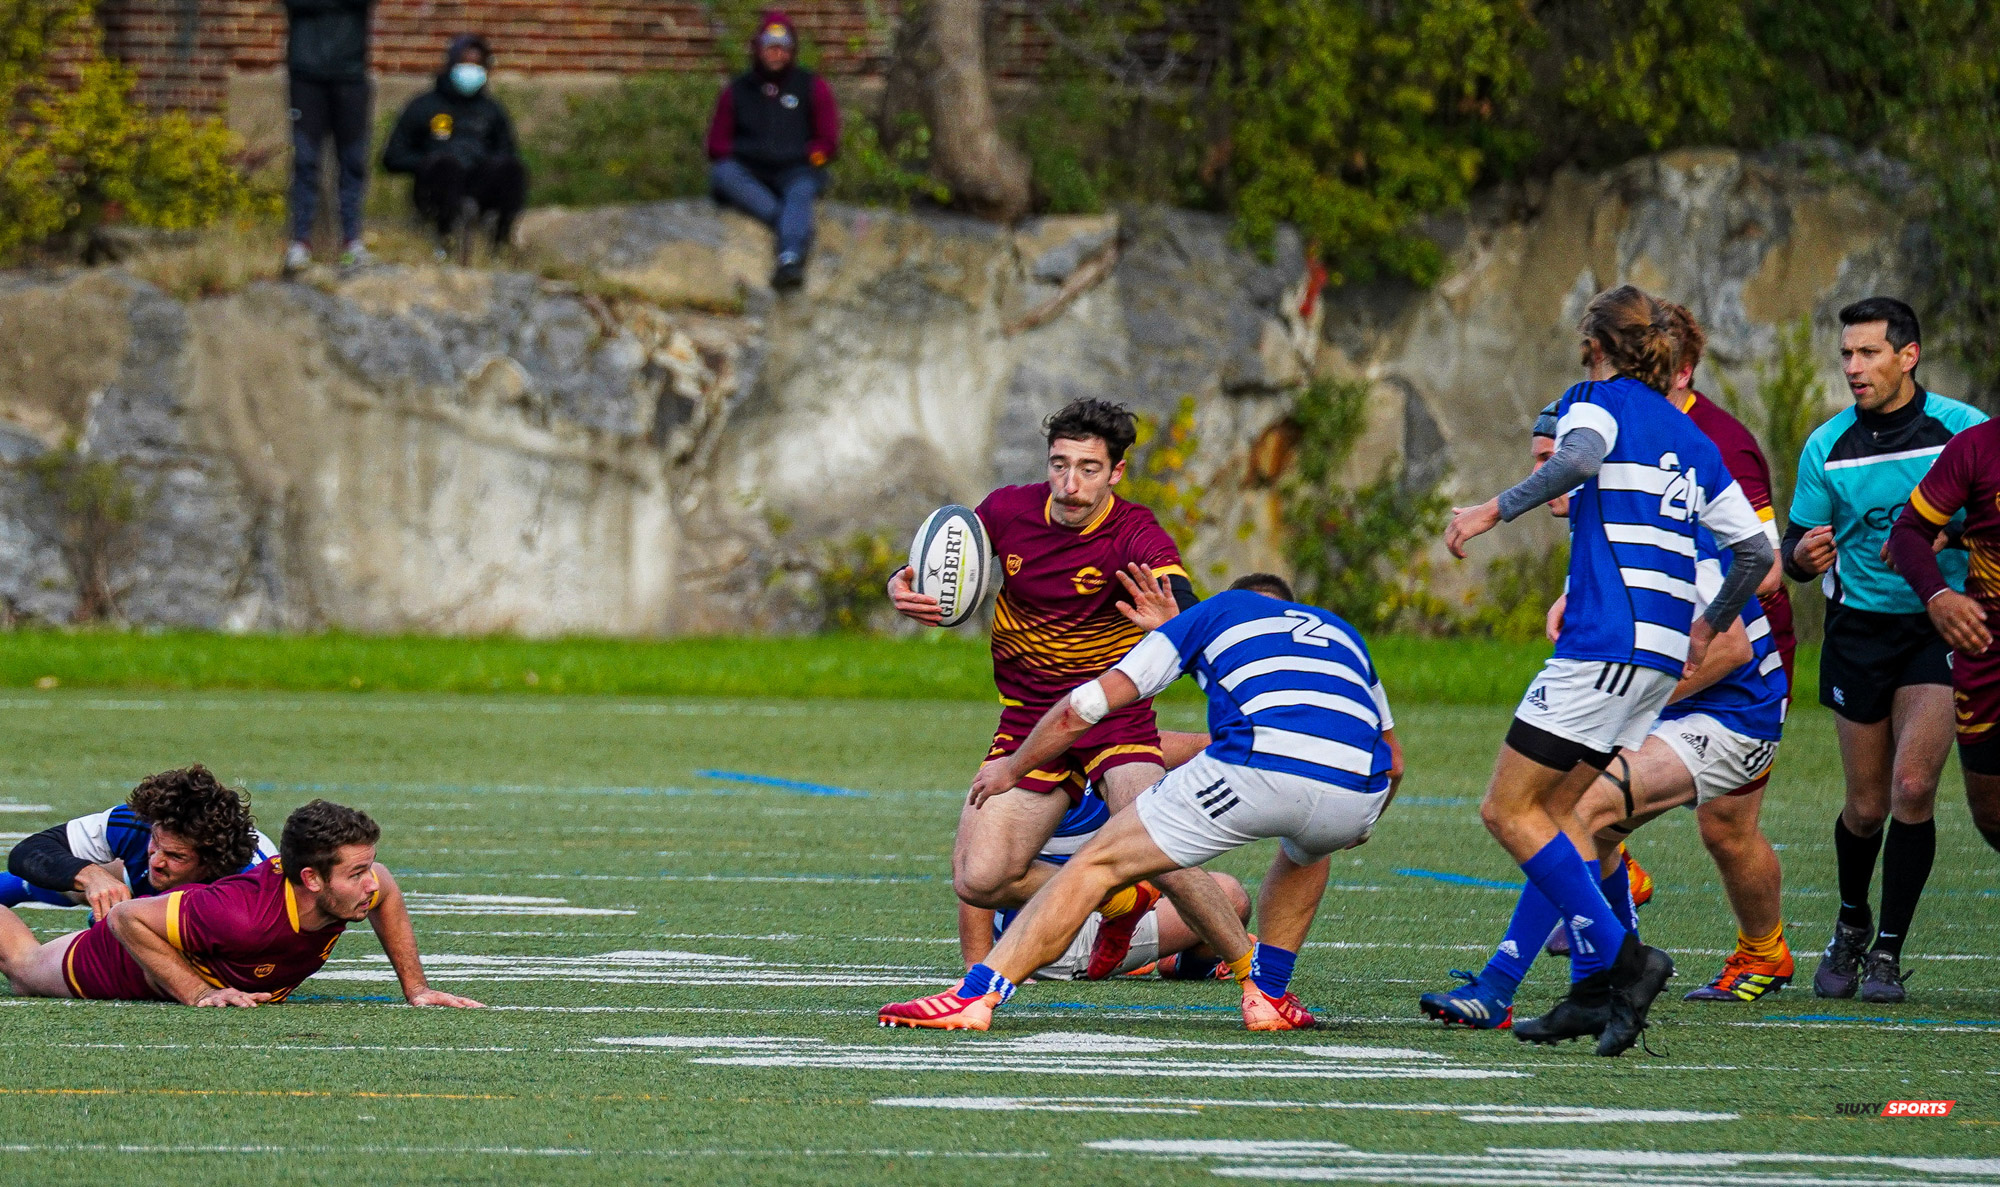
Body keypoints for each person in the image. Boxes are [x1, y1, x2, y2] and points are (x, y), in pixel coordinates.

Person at [1442, 284, 1773, 1056]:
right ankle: (1595, 986)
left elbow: (1581, 455)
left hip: (1602, 644)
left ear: (1596, 345)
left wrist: (1491, 509)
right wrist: (1708, 624)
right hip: (1656, 655)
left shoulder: (1595, 399)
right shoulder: (1692, 438)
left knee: (1507, 811)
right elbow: (1757, 553)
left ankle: (1627, 962)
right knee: (1560, 816)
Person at [879, 574, 1403, 1033]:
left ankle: (975, 996)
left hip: (1258, 761)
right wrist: (1365, 819)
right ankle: (1269, 995)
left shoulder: (1213, 614)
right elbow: (1395, 760)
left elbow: (1087, 705)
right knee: (1307, 850)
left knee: (1096, 864)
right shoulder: (1339, 631)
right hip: (1360, 786)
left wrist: (1014, 765)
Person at [888, 399, 1247, 984]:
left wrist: (1175, 619)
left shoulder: (1134, 531)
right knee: (979, 878)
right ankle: (1119, 902)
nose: (1070, 483)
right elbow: (946, 564)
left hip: (1114, 718)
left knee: (1163, 850)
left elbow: (1184, 597)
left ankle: (1257, 976)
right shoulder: (1006, 511)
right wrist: (903, 586)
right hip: (1031, 720)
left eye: (1087, 468)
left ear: (1116, 473)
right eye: (1060, 465)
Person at [1784, 297, 1987, 1003]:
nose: (1853, 367)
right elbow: (1795, 549)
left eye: (1868, 353)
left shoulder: (1964, 432)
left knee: (1912, 788)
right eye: (1846, 354)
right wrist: (1803, 558)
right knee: (1866, 805)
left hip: (1938, 630)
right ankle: (1851, 922)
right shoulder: (1827, 445)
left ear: (1909, 355)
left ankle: (1888, 950)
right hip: (1858, 631)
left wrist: (1952, 541)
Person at [0, 799, 480, 1009]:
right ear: (311, 879)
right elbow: (125, 918)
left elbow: (387, 887)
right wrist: (199, 992)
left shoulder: (337, 887)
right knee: (23, 969)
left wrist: (417, 989)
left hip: (175, 923)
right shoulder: (240, 914)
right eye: (357, 874)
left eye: (366, 868)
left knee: (130, 883)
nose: (370, 884)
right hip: (119, 955)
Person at [959, 778, 1253, 984]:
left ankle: (1183, 960)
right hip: (1047, 933)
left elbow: (1193, 747)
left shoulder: (1114, 755)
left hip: (1092, 911)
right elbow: (983, 872)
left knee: (1201, 884)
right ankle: (1189, 958)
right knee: (1228, 898)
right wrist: (981, 966)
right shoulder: (1032, 775)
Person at [1888, 418, 2000, 858]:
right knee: (1990, 812)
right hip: (1986, 647)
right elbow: (1908, 531)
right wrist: (1938, 596)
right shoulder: (1975, 446)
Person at [2, 766, 276, 918]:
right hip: (148, 888)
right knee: (96, 879)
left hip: (213, 915)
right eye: (155, 842)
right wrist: (90, 876)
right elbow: (28, 853)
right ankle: (16, 889)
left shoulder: (254, 881)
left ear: (213, 861)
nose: (156, 859)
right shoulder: (137, 824)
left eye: (176, 855)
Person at [705, 11, 839, 290]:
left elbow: (828, 142)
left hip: (796, 170)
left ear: (792, 50)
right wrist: (748, 152)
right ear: (758, 49)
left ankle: (789, 258)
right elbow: (716, 145)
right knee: (723, 173)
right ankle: (785, 220)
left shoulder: (812, 87)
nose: (776, 54)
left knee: (802, 191)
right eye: (770, 47)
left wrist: (808, 156)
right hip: (750, 173)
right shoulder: (736, 91)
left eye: (783, 48)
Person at [381, 36, 528, 257]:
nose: (471, 70)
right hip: (438, 184)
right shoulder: (424, 106)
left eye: (477, 65)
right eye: (464, 63)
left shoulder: (491, 110)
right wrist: (430, 160)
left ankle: (499, 243)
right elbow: (393, 157)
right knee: (446, 166)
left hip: (479, 183)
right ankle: (444, 238)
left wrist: (481, 159)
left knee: (512, 170)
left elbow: (507, 151)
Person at [282, 0, 374, 274]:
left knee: (353, 161)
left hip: (351, 76)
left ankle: (352, 241)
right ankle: (300, 243)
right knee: (305, 161)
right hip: (306, 76)